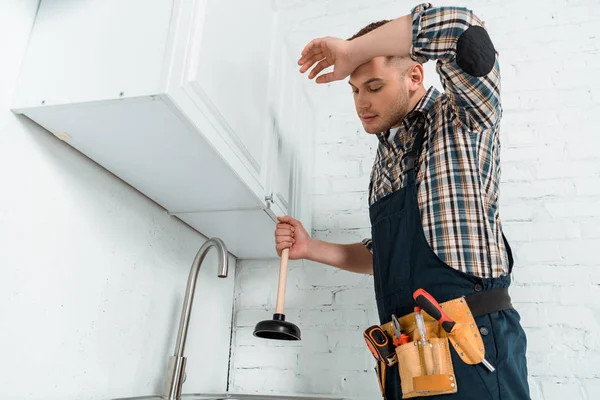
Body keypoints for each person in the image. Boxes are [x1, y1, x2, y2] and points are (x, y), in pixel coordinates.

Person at [274, 3, 530, 400]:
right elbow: (390, 255)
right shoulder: (386, 161)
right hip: (407, 359)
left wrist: (352, 50)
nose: (362, 102)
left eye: (374, 86)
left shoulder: (463, 120)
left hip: (470, 349)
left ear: (414, 75)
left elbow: (461, 29)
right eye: (355, 90)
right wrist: (311, 249)